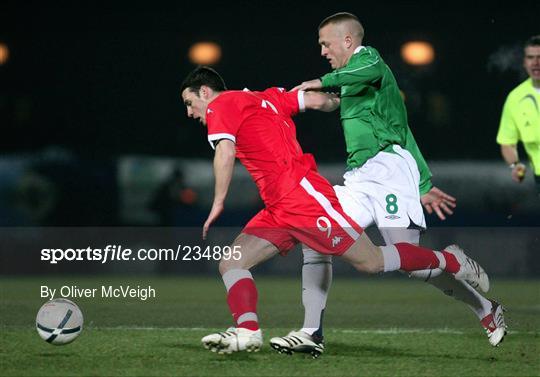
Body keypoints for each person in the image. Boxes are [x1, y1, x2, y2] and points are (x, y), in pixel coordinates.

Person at [180, 66, 488, 355]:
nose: (190, 112)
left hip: (303, 198)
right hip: (279, 207)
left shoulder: (220, 105)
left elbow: (225, 151)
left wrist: (218, 201)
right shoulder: (265, 97)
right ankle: (247, 331)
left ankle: (450, 259)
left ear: (205, 92)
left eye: (189, 102)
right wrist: (342, 101)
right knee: (232, 262)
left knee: (371, 262)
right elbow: (319, 101)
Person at [269, 12, 506, 357]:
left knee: (416, 265)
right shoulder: (354, 82)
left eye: (325, 43)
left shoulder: (368, 58)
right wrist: (424, 181)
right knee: (317, 235)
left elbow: (391, 123)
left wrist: (320, 82)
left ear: (348, 41)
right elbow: (404, 128)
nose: (322, 50)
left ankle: (477, 296)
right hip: (360, 176)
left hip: (389, 171)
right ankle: (311, 332)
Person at [496, 35, 540, 196]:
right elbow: (507, 142)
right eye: (531, 57)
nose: (536, 63)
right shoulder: (515, 98)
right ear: (524, 62)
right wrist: (515, 166)